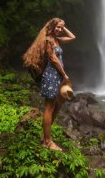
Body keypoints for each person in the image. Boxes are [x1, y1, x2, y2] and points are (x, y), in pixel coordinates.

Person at [25, 17, 75, 151]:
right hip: (51, 76)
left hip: (57, 77)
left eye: (61, 28)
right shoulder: (48, 40)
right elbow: (53, 58)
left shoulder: (57, 40)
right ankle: (47, 141)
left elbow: (73, 37)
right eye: (57, 27)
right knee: (49, 107)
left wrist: (63, 26)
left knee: (58, 105)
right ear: (51, 26)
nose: (59, 29)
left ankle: (45, 135)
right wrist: (64, 75)